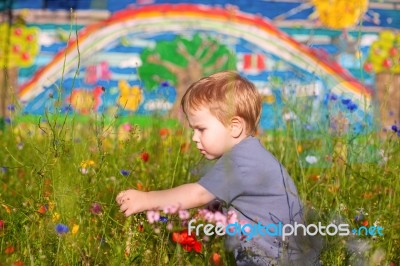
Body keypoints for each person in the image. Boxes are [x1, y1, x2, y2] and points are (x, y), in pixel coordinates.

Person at [116, 71, 320, 265]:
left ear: (234, 127)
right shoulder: (252, 154)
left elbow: (198, 194)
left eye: (201, 129)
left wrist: (147, 199)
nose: (194, 138)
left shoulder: (239, 161)